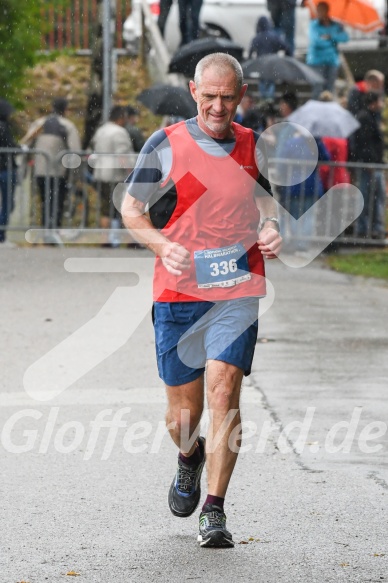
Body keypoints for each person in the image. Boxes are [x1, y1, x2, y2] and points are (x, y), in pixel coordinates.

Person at [121, 53, 282, 548]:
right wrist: (162, 244)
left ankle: (214, 509)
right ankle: (189, 457)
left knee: (224, 387)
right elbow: (132, 209)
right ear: (194, 91)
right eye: (209, 96)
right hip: (178, 291)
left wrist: (272, 226)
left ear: (241, 95)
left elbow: (265, 199)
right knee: (185, 418)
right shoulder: (164, 144)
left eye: (227, 97)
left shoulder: (253, 145)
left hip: (237, 285)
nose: (217, 107)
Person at [23, 97, 81, 230]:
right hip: (58, 172)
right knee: (57, 202)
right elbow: (75, 151)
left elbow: (27, 144)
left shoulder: (39, 123)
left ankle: (45, 229)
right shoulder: (67, 126)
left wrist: (27, 165)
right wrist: (75, 174)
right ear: (65, 110)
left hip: (40, 170)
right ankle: (53, 230)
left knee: (44, 201)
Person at [91, 105, 134, 246]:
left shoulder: (101, 130)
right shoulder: (119, 132)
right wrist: (131, 172)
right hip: (115, 175)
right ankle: (130, 240)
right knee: (125, 207)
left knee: (105, 208)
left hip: (101, 173)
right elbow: (123, 156)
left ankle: (105, 239)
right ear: (121, 118)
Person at [348, 91, 386, 239]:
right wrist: (369, 161)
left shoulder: (370, 117)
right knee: (368, 196)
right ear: (374, 102)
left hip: (374, 164)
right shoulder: (365, 118)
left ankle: (374, 228)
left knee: (376, 196)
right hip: (369, 165)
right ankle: (365, 228)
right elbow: (364, 143)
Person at [306, 1, 349, 99]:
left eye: (321, 10)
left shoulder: (336, 25)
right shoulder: (313, 25)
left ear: (326, 11)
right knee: (318, 89)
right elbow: (316, 41)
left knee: (330, 89)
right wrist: (332, 40)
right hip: (316, 61)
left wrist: (330, 37)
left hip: (332, 61)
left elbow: (345, 38)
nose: (319, 13)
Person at [249, 16, 292, 100]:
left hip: (261, 64)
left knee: (262, 82)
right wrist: (287, 58)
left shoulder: (257, 38)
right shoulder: (275, 37)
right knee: (270, 82)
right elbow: (286, 47)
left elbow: (250, 52)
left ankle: (263, 101)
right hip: (272, 64)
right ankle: (269, 101)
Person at [0, 99, 18, 246]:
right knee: (8, 203)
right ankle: (1, 236)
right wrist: (20, 148)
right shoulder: (4, 126)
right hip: (6, 168)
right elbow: (9, 145)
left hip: (5, 168)